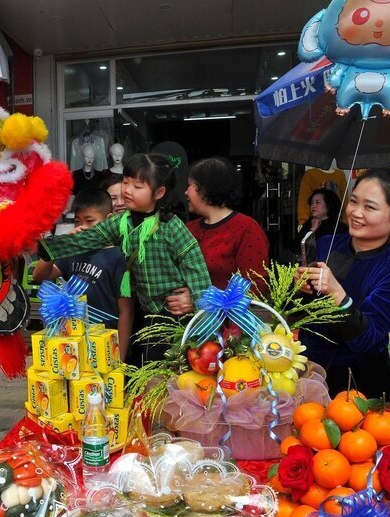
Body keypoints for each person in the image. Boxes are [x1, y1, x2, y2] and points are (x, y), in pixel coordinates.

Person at [39, 153, 211, 367]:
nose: (127, 190)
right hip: (146, 312)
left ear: (159, 193)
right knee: (148, 367)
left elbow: (195, 267)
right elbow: (91, 237)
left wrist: (196, 301)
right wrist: (48, 249)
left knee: (172, 369)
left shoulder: (172, 227)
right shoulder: (122, 222)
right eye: (126, 182)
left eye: (137, 186)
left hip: (174, 313)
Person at [296, 168, 390, 398]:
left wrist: (338, 295)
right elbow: (300, 312)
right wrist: (299, 288)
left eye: (370, 207)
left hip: (358, 384)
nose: (356, 213)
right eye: (353, 202)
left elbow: (368, 340)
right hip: (310, 370)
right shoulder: (325, 244)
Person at [33, 189, 133, 359]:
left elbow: (126, 312)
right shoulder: (75, 251)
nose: (82, 227)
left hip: (106, 345)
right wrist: (59, 247)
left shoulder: (118, 257)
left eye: (90, 221)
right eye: (77, 221)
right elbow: (40, 276)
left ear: (108, 220)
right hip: (74, 340)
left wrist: (120, 357)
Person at [182, 157, 269, 292]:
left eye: (190, 185)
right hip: (190, 314)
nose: (186, 192)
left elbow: (256, 286)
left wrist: (201, 299)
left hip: (227, 313)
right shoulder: (188, 229)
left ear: (205, 188)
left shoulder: (246, 229)